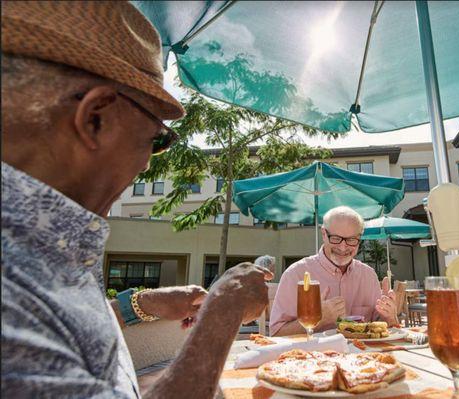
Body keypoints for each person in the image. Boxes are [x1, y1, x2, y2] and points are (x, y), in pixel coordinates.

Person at [1, 2, 272, 398]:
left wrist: (140, 304)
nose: (147, 164)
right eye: (156, 140)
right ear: (96, 117)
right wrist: (223, 313)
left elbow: (60, 324)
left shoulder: (49, 237)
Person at [269, 206, 399, 336]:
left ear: (359, 239)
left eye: (351, 240)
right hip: (313, 355)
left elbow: (380, 328)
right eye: (336, 238)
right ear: (324, 234)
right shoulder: (296, 274)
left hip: (364, 355)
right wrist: (319, 318)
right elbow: (276, 334)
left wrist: (391, 318)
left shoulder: (369, 276)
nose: (343, 247)